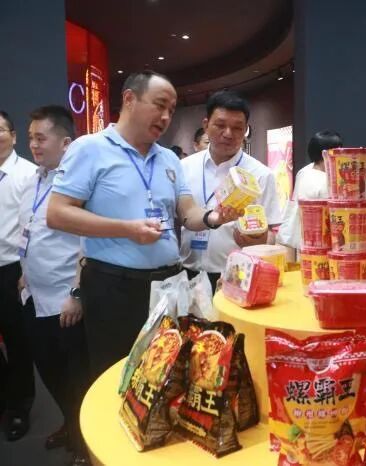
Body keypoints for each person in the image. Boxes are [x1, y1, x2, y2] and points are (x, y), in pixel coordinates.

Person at [46, 71, 239, 379]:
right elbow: (57, 213)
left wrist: (213, 217)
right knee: (118, 374)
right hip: (114, 288)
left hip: (168, 285)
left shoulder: (168, 160)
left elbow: (187, 211)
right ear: (129, 99)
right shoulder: (90, 148)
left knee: (166, 373)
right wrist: (127, 229)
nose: (165, 117)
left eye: (171, 110)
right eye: (159, 105)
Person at [19, 105, 91, 465]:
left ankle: (84, 442)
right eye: (31, 138)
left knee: (77, 377)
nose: (33, 144)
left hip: (65, 301)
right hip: (33, 296)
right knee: (48, 370)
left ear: (65, 143)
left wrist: (77, 294)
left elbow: (87, 245)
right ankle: (68, 423)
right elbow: (30, 231)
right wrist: (25, 273)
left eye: (41, 138)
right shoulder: (34, 180)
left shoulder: (80, 185)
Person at [179, 90, 282, 291]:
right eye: (220, 125)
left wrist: (259, 240)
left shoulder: (261, 174)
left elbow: (270, 234)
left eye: (237, 128)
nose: (228, 133)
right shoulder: (184, 167)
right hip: (186, 273)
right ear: (206, 125)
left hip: (235, 276)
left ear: (246, 130)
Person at [0, 110, 36, 441]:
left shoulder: (28, 174)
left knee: (17, 340)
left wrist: (26, 272)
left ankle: (19, 405)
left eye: (0, 130)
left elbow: (33, 226)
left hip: (11, 269)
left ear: (13, 135)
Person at [277, 130, 343, 250]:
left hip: (295, 239)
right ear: (325, 154)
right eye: (337, 151)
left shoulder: (304, 171)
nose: (342, 155)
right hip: (315, 244)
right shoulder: (326, 182)